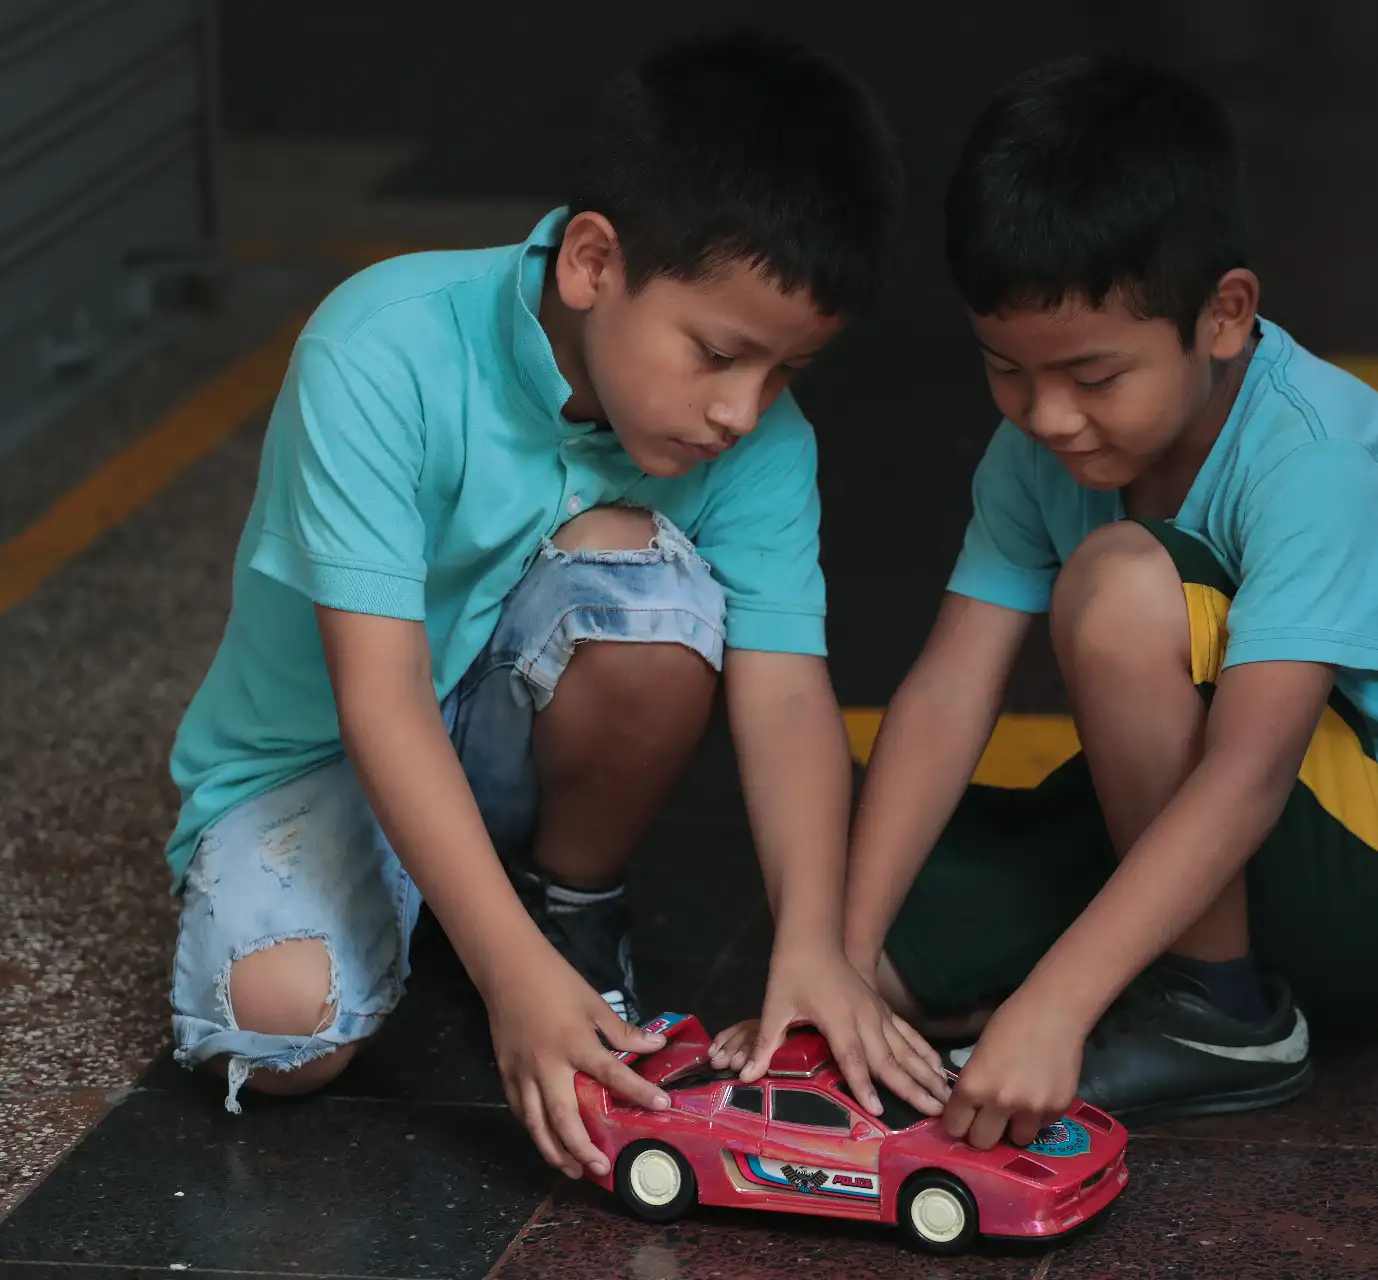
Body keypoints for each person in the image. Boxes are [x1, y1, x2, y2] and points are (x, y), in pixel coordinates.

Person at [716, 54, 1378, 1148]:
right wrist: (844, 956)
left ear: (1225, 315)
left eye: (1094, 376)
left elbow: (1249, 772)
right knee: (872, 948)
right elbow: (949, 690)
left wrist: (1052, 1007)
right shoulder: (1046, 445)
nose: (1049, 415)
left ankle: (1224, 1009)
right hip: (1213, 798)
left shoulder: (1322, 462)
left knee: (1119, 592)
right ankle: (1273, 968)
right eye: (1005, 367)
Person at [163, 32, 948, 1183]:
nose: (742, 409)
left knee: (649, 586)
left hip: (490, 755)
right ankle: (476, 928)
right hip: (319, 759)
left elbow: (785, 694)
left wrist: (817, 942)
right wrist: (509, 978)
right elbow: (378, 695)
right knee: (281, 1031)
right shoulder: (380, 349)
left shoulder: (759, 439)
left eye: (784, 373)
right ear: (592, 263)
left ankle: (569, 902)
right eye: (719, 353)